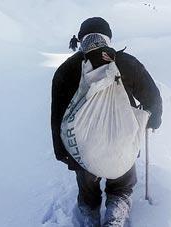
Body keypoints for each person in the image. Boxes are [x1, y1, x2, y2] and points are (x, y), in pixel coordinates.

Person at [51, 17, 162, 227]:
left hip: (82, 149)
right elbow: (152, 97)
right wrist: (152, 121)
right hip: (122, 143)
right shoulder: (127, 63)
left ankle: (90, 216)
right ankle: (115, 217)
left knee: (88, 193)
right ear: (108, 38)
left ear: (81, 38)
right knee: (121, 188)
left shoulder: (66, 70)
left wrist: (61, 151)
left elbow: (57, 116)